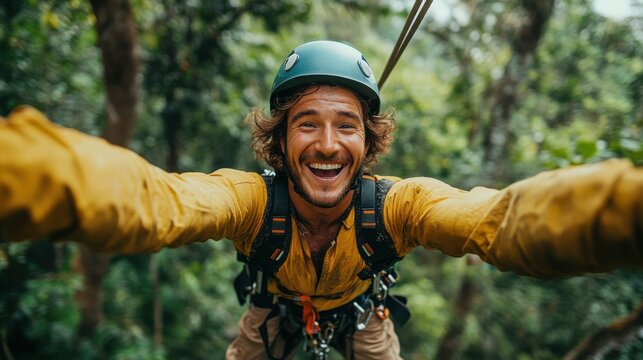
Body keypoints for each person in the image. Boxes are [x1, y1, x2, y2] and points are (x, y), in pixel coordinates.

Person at [0, 40, 641, 360]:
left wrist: (626, 212)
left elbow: (496, 223)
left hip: (367, 318)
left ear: (369, 142)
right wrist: (22, 177)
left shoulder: (397, 207)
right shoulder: (250, 201)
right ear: (279, 141)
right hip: (270, 314)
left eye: (347, 125)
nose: (327, 143)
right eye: (307, 123)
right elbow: (157, 201)